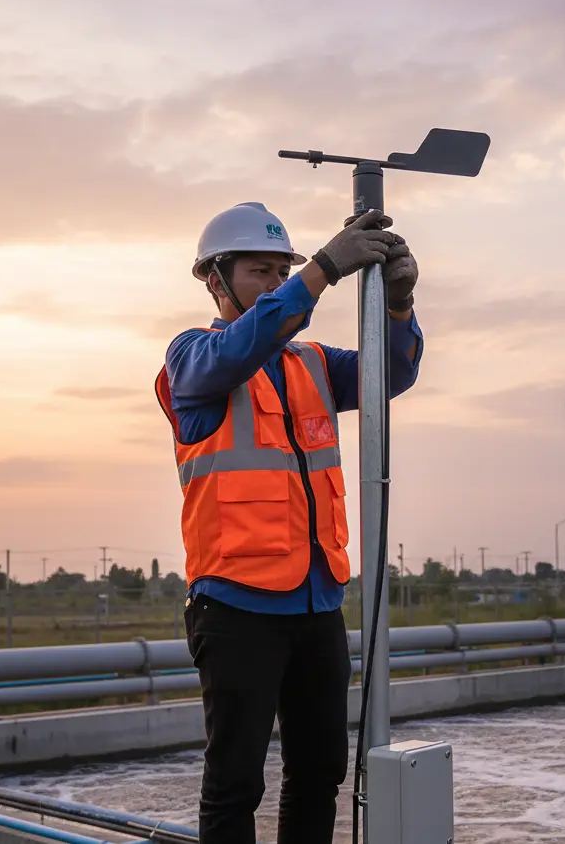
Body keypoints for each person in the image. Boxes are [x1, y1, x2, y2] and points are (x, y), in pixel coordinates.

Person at [154, 201, 423, 844]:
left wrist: (399, 308)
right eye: (260, 272)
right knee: (236, 784)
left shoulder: (312, 364)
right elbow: (242, 349)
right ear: (215, 280)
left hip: (315, 599)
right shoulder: (192, 359)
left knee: (321, 770)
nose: (276, 282)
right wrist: (324, 269)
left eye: (284, 271)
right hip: (236, 605)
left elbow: (393, 372)